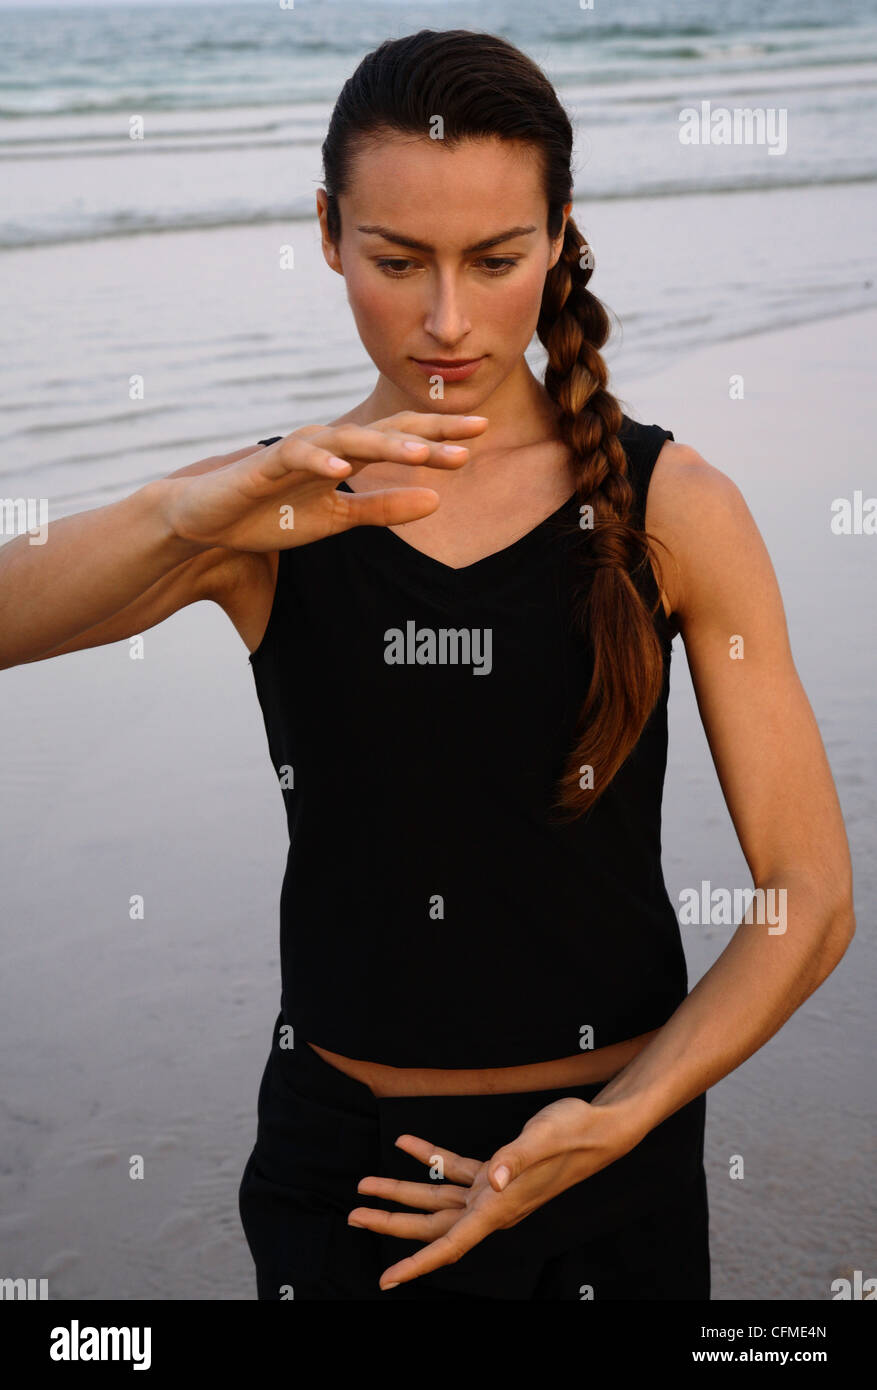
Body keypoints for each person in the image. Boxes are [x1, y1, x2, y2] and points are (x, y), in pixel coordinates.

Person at [0, 30, 855, 1301]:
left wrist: (622, 1120)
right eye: (397, 261)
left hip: (605, 1161)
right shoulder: (270, 503)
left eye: (495, 259)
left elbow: (808, 894)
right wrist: (187, 514)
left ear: (561, 234)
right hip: (343, 1174)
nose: (447, 320)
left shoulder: (673, 504)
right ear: (328, 233)